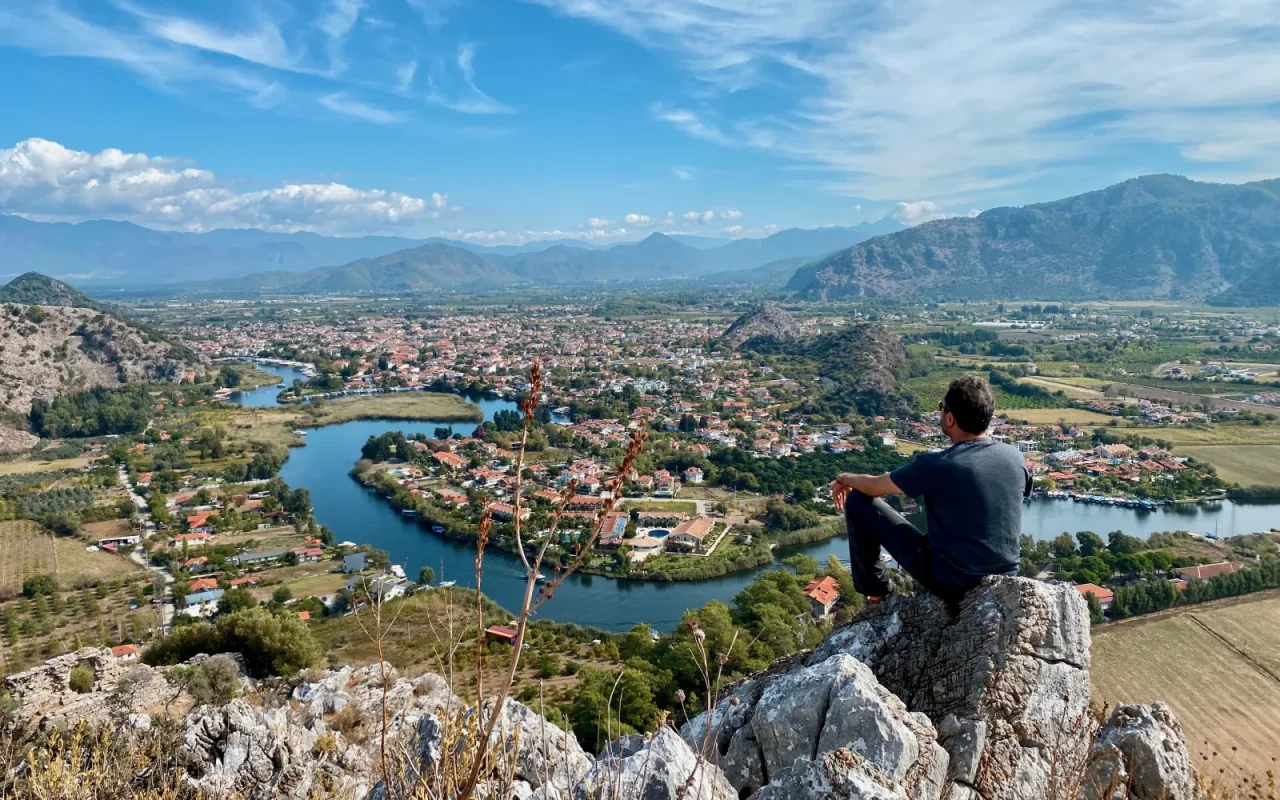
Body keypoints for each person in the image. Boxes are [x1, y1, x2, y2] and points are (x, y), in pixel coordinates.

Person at [829, 374, 1031, 609]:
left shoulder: (938, 464)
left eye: (941, 408)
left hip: (953, 582)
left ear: (951, 418)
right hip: (1007, 577)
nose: (940, 412)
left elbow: (874, 487)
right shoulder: (1015, 457)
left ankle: (875, 598)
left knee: (858, 501)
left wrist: (844, 478)